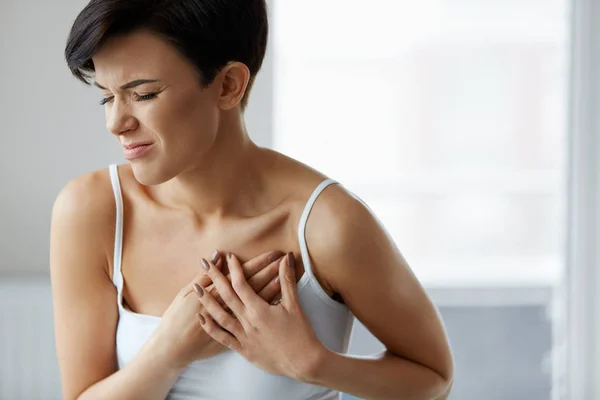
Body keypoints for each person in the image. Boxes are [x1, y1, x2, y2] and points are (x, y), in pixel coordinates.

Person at [49, 0, 454, 399]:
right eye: (106, 96)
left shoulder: (325, 225)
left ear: (228, 85)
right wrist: (168, 350)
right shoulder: (92, 211)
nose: (115, 123)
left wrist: (312, 364)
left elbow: (434, 379)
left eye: (144, 94)